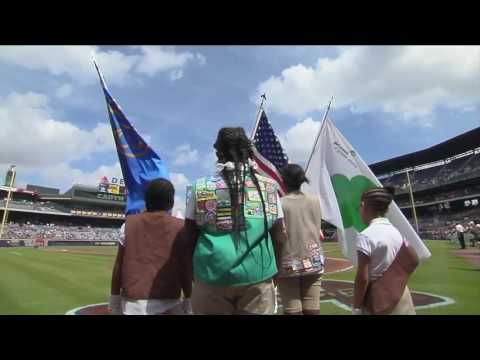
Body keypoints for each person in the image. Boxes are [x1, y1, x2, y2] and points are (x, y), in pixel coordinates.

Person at [184, 127, 285, 315]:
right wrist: (275, 276)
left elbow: (188, 238)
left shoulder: (199, 187)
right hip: (259, 276)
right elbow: (279, 237)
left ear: (218, 153)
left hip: (210, 277)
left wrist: (194, 276)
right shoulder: (269, 187)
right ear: (248, 151)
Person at [108, 178, 193, 315]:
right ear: (171, 202)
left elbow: (119, 266)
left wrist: (114, 299)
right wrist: (188, 299)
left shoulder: (128, 224)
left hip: (132, 306)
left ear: (146, 200)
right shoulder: (181, 227)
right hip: (169, 304)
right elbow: (185, 268)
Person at [352, 187, 416, 315]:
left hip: (379, 297)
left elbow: (362, 278)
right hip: (401, 293)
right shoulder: (395, 231)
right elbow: (413, 258)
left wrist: (356, 306)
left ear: (363, 205)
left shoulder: (365, 236)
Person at [274, 164, 324, 315]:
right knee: (312, 305)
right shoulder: (315, 201)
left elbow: (277, 235)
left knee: (291, 308)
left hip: (289, 261)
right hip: (314, 259)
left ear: (283, 180)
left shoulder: (281, 203)